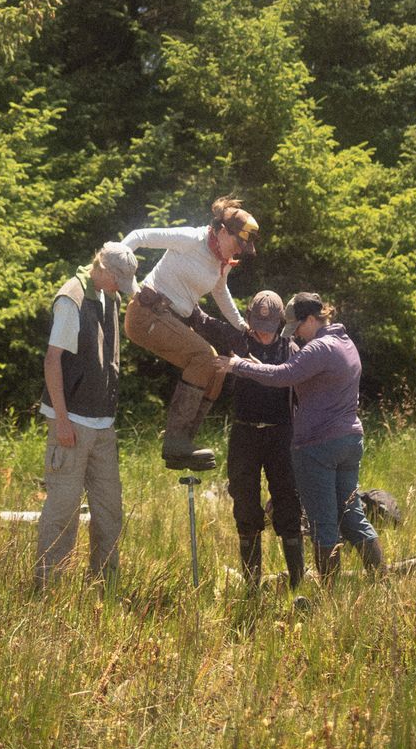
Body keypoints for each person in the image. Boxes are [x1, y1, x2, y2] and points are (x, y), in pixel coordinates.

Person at [227, 292, 383, 580]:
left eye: (297, 326)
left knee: (323, 523)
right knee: (352, 517)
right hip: (350, 441)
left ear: (312, 318)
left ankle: (330, 598)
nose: (295, 333)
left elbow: (282, 376)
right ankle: (382, 582)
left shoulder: (318, 349)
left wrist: (240, 366)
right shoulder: (346, 344)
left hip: (320, 446)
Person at [114, 197, 260, 471]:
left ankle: (184, 445)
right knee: (204, 357)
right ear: (223, 230)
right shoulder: (192, 239)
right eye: (237, 242)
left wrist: (242, 326)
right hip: (146, 313)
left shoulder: (222, 261)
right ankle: (175, 440)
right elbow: (140, 236)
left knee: (216, 368)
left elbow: (220, 291)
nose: (238, 251)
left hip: (169, 319)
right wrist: (120, 270)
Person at [34, 242, 139, 590]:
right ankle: (48, 588)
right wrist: (61, 421)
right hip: (71, 421)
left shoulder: (112, 297)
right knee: (62, 512)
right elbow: (52, 360)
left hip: (103, 424)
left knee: (110, 511)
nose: (120, 288)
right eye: (118, 281)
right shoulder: (72, 298)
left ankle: (104, 586)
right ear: (104, 270)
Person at [198, 289, 305, 589]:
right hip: (244, 433)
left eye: (269, 328)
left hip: (282, 435)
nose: (264, 333)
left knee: (288, 504)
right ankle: (251, 585)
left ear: (282, 322)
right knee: (244, 505)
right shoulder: (237, 341)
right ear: (248, 320)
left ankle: (297, 584)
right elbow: (203, 321)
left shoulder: (292, 349)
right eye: (258, 326)